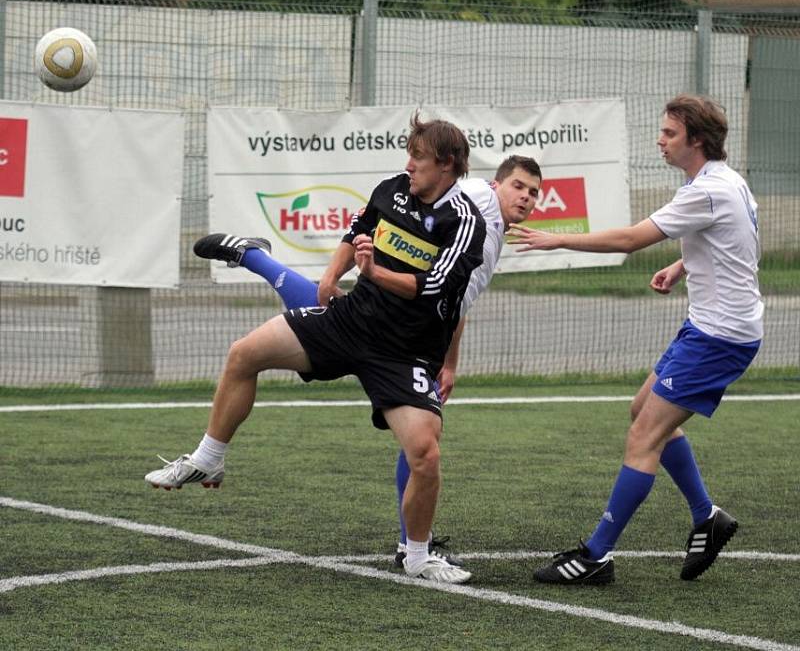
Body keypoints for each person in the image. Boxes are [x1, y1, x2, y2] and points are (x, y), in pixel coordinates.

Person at [145, 114, 487, 584]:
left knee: (424, 454)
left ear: (446, 164)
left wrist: (372, 273)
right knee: (244, 353)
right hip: (349, 322)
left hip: (404, 352)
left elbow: (429, 290)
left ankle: (418, 555)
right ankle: (209, 458)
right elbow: (357, 231)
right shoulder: (393, 188)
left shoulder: (465, 222)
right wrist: (331, 276)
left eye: (418, 157)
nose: (408, 164)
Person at [192, 155, 543, 570]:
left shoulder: (493, 232)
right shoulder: (476, 199)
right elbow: (416, 226)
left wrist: (449, 362)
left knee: (421, 438)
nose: (526, 197)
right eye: (519, 186)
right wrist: (367, 269)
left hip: (414, 334)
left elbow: (454, 300)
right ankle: (253, 257)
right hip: (388, 320)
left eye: (534, 192)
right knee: (306, 320)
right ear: (495, 183)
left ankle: (410, 541)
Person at [507, 94, 763, 585]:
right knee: (641, 411)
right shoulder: (725, 183)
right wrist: (682, 263)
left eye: (669, 133)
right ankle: (706, 516)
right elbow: (733, 242)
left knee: (643, 437)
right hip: (710, 326)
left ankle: (595, 556)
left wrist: (557, 239)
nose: (660, 140)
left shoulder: (706, 190)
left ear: (697, 140)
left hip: (719, 336)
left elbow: (629, 240)